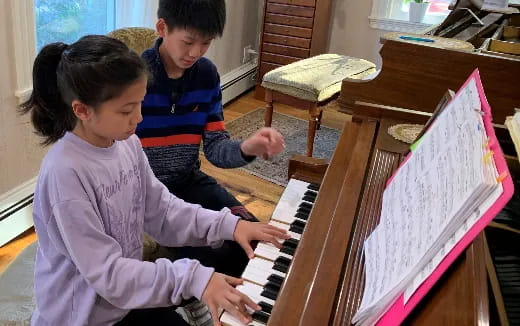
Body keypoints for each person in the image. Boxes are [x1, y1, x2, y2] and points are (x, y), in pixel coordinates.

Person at [21, 35, 289, 326]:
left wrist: (230, 225)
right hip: (82, 317)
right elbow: (109, 274)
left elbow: (162, 210)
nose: (138, 117)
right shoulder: (65, 173)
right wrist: (192, 277)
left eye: (140, 104)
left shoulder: (126, 144)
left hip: (120, 301)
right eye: (126, 110)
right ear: (82, 110)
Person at [136, 0, 285, 281]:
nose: (196, 52)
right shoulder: (136, 76)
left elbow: (216, 148)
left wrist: (247, 147)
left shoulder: (206, 75)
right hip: (148, 194)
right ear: (162, 28)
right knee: (217, 258)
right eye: (188, 41)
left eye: (206, 43)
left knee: (257, 239)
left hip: (189, 180)